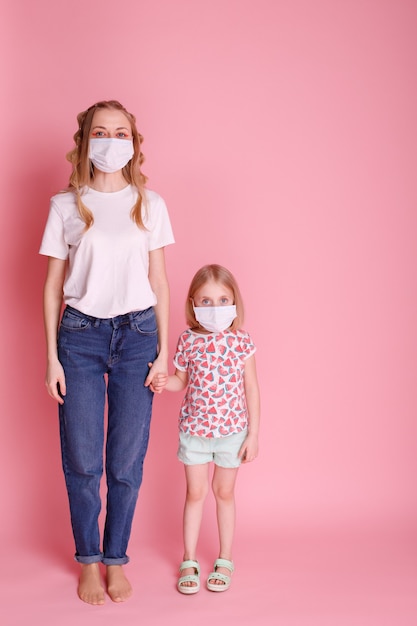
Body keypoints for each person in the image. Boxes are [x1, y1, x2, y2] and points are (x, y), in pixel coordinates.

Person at [39, 100, 174, 605]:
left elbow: (159, 280)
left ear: (133, 143)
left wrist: (162, 353)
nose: (111, 142)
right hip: (79, 337)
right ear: (85, 140)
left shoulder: (150, 203)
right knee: (81, 459)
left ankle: (116, 558)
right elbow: (53, 287)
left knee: (125, 461)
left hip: (139, 336)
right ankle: (88, 561)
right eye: (102, 132)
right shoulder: (65, 205)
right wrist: (51, 356)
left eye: (121, 133)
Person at [152, 264, 260, 594]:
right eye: (207, 301)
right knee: (195, 494)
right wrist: (161, 380)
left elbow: (252, 388)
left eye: (223, 299)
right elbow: (179, 381)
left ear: (235, 303)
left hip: (232, 433)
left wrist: (253, 434)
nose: (215, 308)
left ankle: (225, 557)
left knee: (224, 493)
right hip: (195, 433)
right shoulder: (187, 341)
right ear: (194, 305)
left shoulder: (242, 342)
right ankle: (189, 558)